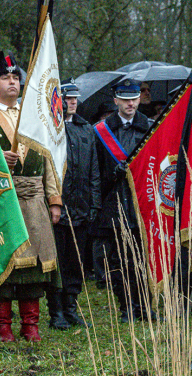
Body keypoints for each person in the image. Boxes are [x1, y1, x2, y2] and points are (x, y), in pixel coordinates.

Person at [0, 51, 62, 343]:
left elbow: (48, 161)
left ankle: (31, 326)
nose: (12, 82)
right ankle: (3, 326)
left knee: (34, 267)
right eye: (5, 77)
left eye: (16, 77)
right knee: (4, 264)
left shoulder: (35, 116)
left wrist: (54, 200)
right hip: (0, 202)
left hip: (34, 201)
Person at [93, 78, 152, 322]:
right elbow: (94, 170)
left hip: (143, 204)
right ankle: (126, 307)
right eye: (125, 99)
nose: (130, 103)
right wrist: (111, 175)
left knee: (144, 259)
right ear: (115, 100)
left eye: (134, 98)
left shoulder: (151, 128)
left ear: (140, 99)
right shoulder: (101, 131)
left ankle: (146, 307)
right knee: (119, 261)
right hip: (114, 204)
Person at [46, 83, 100, 329]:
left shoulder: (86, 128)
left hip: (82, 207)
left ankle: (71, 308)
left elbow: (94, 170)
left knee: (77, 263)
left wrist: (94, 204)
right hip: (58, 208)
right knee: (57, 262)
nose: (72, 102)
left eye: (75, 98)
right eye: (68, 98)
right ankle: (55, 311)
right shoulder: (49, 129)